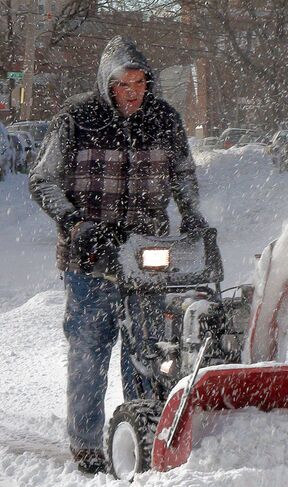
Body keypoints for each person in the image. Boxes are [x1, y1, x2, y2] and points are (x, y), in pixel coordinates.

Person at [29, 36, 207, 474]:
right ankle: (87, 446)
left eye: (141, 82)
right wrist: (76, 224)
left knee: (148, 352)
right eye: (125, 83)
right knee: (90, 352)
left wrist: (191, 215)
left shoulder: (163, 119)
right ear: (107, 84)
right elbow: (42, 180)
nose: (134, 92)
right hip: (90, 261)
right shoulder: (76, 118)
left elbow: (183, 173)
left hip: (148, 256)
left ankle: (142, 439)